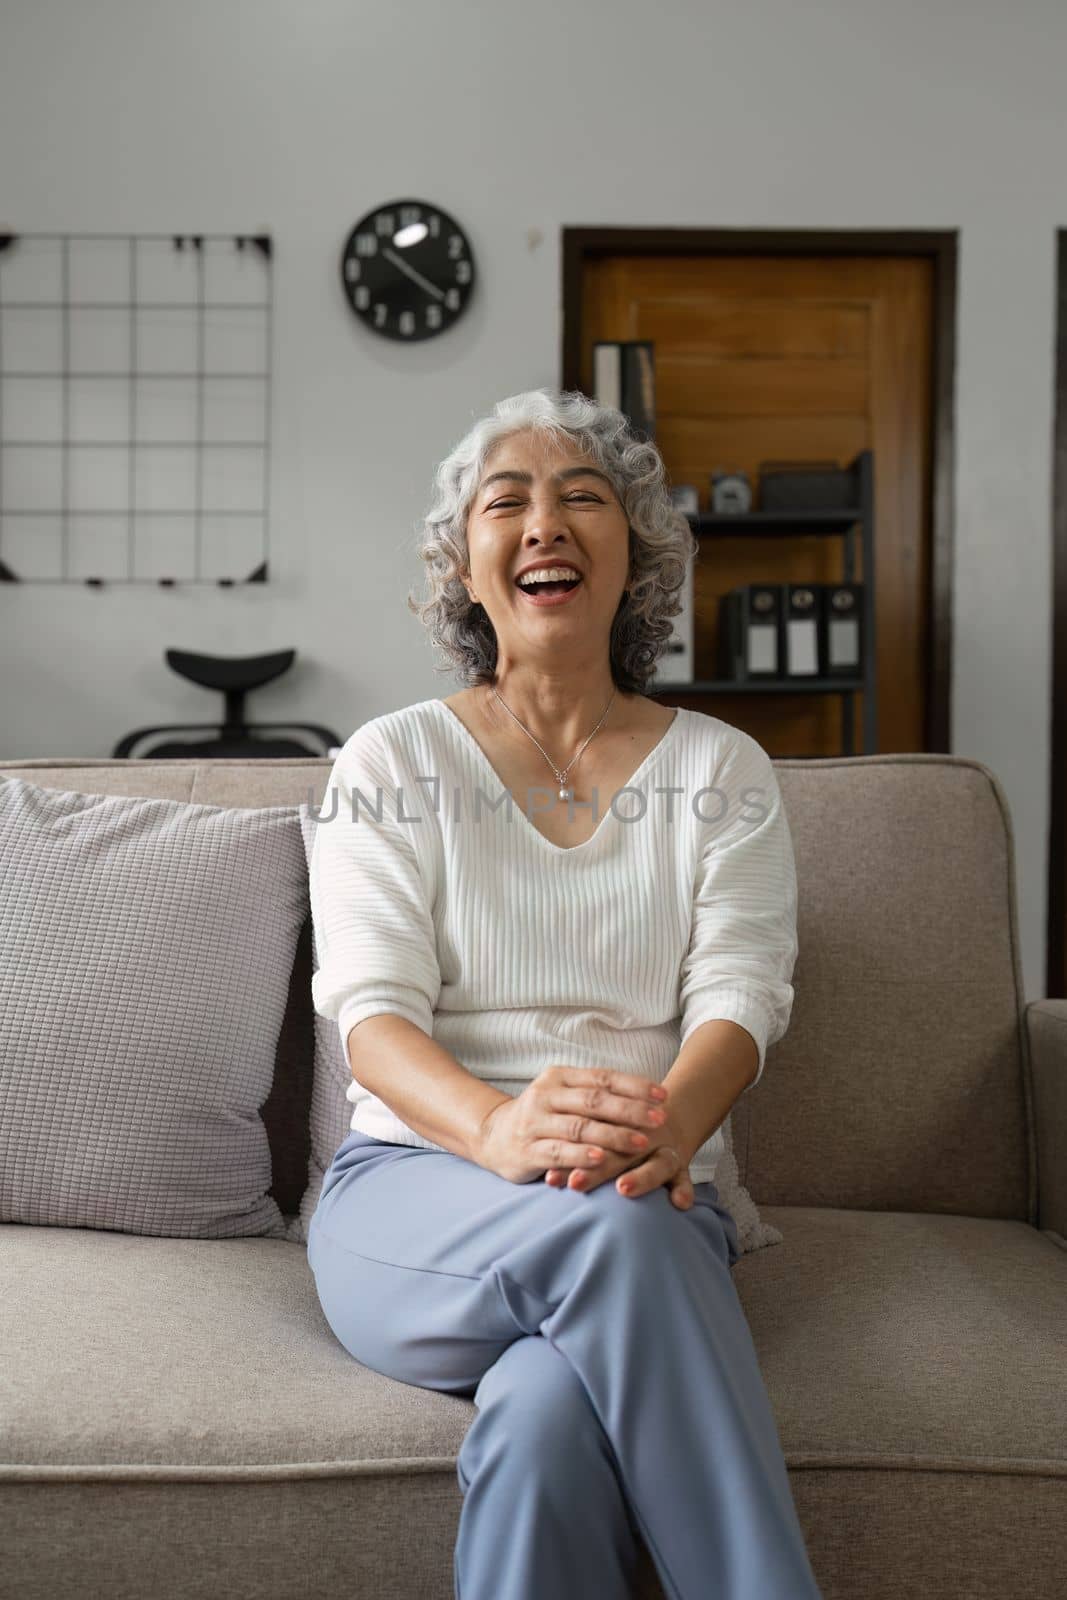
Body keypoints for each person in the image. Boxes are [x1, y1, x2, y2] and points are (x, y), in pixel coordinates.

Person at [305, 387, 822, 1600]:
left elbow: (740, 996)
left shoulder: (720, 768)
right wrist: (493, 1125)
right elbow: (370, 1016)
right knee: (614, 1240)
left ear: (631, 558)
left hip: (649, 1177)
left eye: (583, 498)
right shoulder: (390, 761)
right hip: (418, 1195)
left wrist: (667, 1122)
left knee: (542, 1420)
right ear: (466, 570)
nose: (545, 522)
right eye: (508, 502)